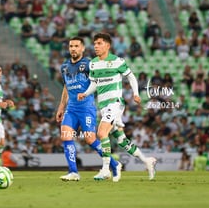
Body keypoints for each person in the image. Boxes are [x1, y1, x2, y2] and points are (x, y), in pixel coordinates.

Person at [77, 33, 157, 180]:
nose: (96, 46)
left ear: (107, 45)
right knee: (121, 139)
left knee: (101, 133)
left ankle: (106, 169)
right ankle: (147, 161)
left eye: (99, 43)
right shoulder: (93, 63)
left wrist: (136, 93)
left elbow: (131, 76)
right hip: (103, 105)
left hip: (115, 103)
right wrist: (85, 93)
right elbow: (95, 83)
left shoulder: (117, 61)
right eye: (94, 44)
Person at [56, 36, 122, 182]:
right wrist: (61, 106)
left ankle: (114, 164)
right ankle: (73, 172)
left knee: (90, 139)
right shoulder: (65, 67)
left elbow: (98, 82)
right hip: (71, 108)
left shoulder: (89, 64)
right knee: (66, 135)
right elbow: (66, 87)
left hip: (86, 108)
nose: (73, 49)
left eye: (76, 46)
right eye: (71, 46)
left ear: (83, 48)